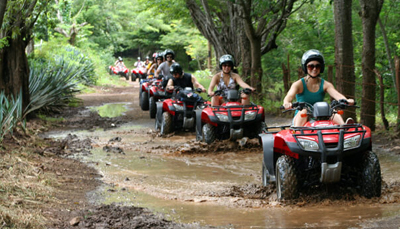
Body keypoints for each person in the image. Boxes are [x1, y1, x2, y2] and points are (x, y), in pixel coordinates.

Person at [282, 49, 355, 127]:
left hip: (321, 116)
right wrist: (287, 103)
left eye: (318, 66)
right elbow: (289, 96)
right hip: (302, 116)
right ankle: (297, 131)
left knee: (331, 110)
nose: (314, 69)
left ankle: (344, 127)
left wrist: (346, 100)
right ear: (305, 67)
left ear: (321, 68)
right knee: (304, 110)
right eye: (311, 66)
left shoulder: (325, 84)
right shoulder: (298, 84)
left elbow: (337, 95)